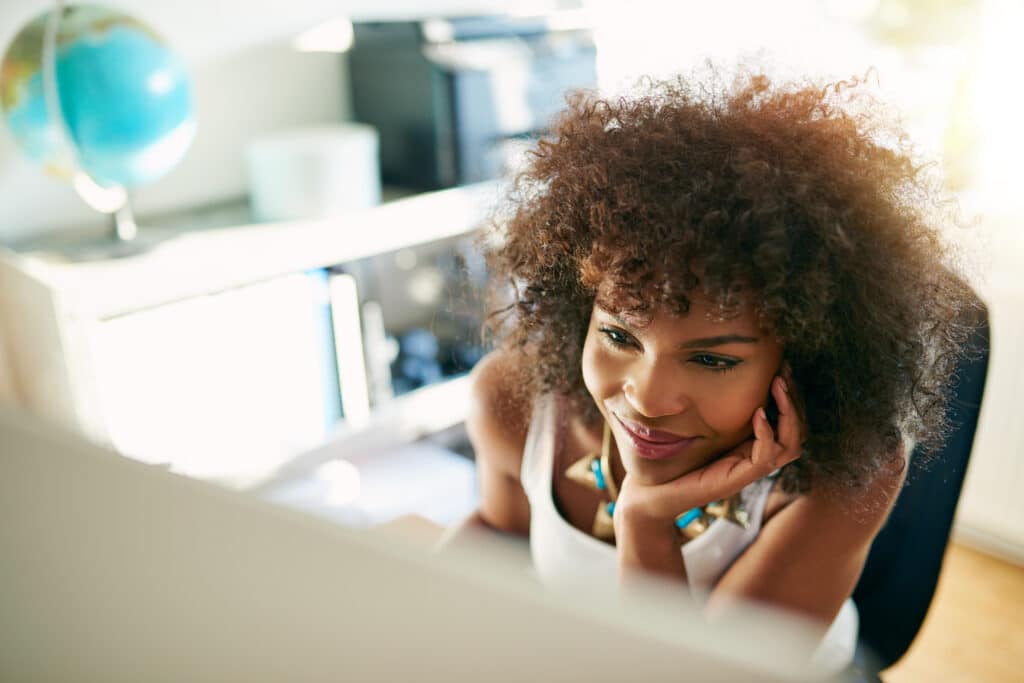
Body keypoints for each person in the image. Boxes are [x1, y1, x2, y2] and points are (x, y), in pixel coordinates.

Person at [449, 68, 977, 672]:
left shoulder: (851, 474)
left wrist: (646, 519)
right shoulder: (512, 400)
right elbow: (501, 533)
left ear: (802, 357)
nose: (648, 399)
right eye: (619, 336)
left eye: (710, 359)